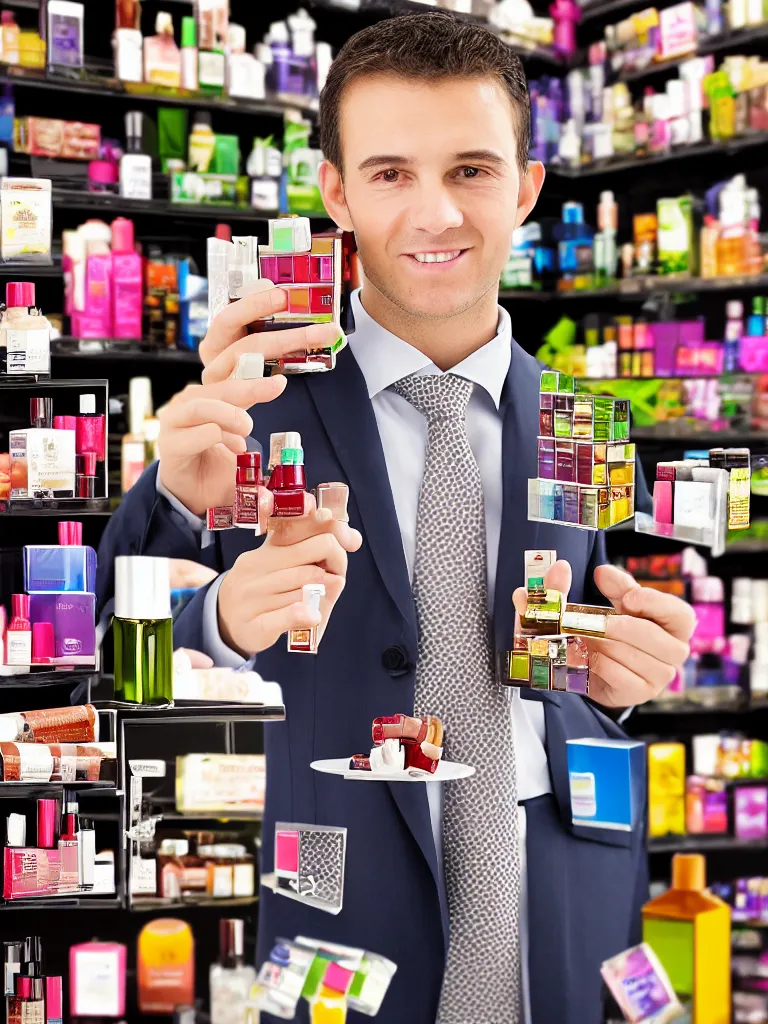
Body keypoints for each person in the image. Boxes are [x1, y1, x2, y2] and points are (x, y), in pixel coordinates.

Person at [97, 12, 696, 1024]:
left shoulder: (581, 421)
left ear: (528, 187)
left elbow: (563, 684)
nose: (436, 214)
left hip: (549, 928)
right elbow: (112, 682)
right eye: (389, 174)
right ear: (334, 191)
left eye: (471, 169)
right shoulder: (251, 410)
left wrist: (622, 683)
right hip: (337, 932)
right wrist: (216, 617)